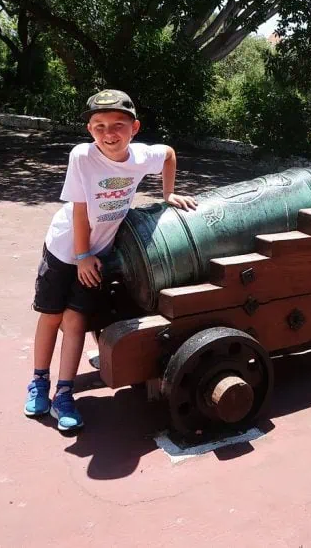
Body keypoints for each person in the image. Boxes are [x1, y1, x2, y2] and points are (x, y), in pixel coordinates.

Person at [24, 89, 197, 432]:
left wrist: (168, 193)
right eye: (99, 126)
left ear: (135, 128)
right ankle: (39, 381)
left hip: (97, 254)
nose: (109, 134)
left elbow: (168, 154)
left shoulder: (140, 157)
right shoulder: (82, 156)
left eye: (118, 125)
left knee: (75, 321)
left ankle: (64, 393)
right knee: (52, 316)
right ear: (90, 130)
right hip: (65, 248)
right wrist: (83, 255)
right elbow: (80, 210)